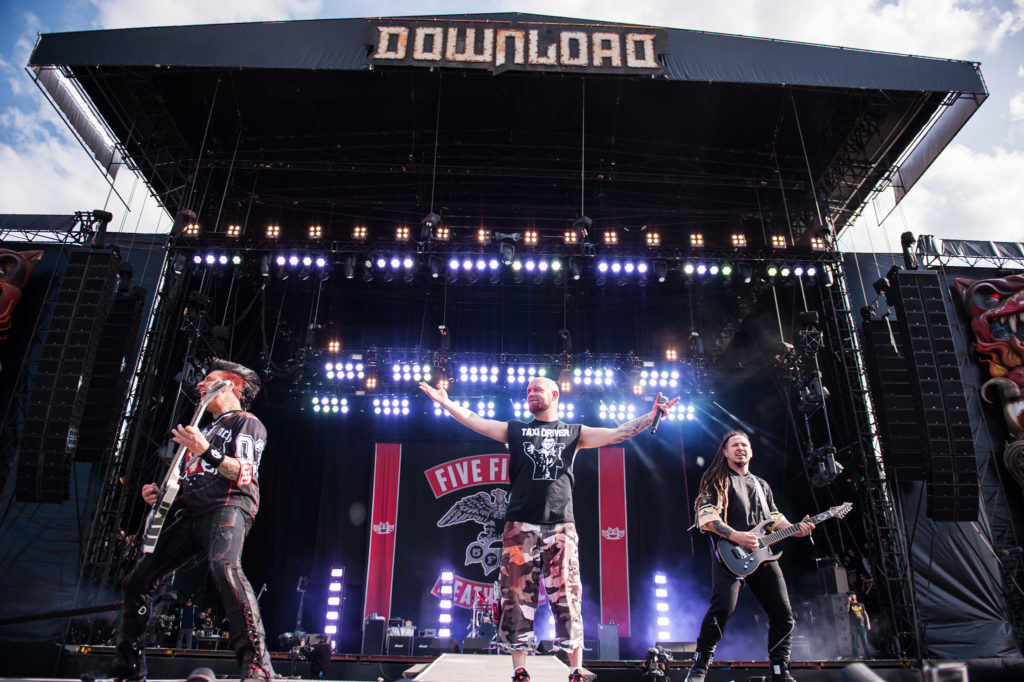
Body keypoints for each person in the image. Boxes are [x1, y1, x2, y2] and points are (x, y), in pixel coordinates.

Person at [420, 377, 677, 682]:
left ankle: (575, 669)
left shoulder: (573, 433)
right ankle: (519, 670)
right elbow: (477, 421)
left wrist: (651, 418)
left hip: (561, 526)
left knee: (567, 595)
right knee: (515, 597)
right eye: (527, 390)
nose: (530, 393)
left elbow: (615, 434)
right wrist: (446, 403)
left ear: (554, 394)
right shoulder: (515, 430)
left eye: (536, 389)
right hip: (520, 526)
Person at [95, 359, 274, 681]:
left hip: (228, 506)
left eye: (209, 379)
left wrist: (208, 451)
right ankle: (129, 668)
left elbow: (244, 473)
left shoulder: (247, 422)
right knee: (136, 581)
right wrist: (160, 493)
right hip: (192, 513)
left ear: (231, 384)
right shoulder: (204, 429)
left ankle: (258, 666)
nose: (200, 385)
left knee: (225, 568)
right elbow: (192, 479)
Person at [684, 430, 815, 682]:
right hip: (730, 554)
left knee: (784, 614)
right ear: (725, 452)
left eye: (745, 444)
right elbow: (706, 516)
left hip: (762, 555)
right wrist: (736, 536)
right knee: (722, 608)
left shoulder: (761, 485)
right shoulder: (717, 479)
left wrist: (797, 530)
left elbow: (775, 519)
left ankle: (779, 670)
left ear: (751, 451)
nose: (740, 448)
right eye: (734, 445)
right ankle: (699, 666)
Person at [847, 593, 871, 659]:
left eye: (853, 594)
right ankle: (855, 657)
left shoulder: (861, 604)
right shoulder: (850, 605)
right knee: (855, 642)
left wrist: (868, 623)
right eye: (851, 595)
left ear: (856, 596)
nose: (852, 596)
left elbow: (865, 614)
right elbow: (847, 610)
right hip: (853, 626)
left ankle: (868, 656)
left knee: (865, 641)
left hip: (862, 625)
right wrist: (848, 602)